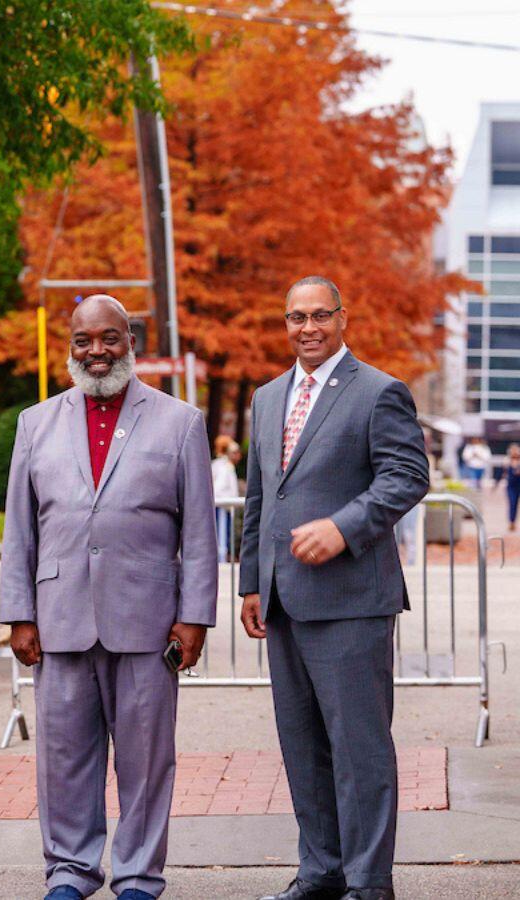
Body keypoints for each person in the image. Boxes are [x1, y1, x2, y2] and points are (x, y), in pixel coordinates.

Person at [0, 295, 217, 900]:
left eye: (109, 339)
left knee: (146, 762)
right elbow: (20, 529)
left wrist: (194, 617)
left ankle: (140, 877)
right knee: (64, 758)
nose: (96, 351)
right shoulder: (34, 423)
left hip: (148, 625)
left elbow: (199, 532)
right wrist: (19, 613)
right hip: (59, 618)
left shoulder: (180, 422)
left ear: (131, 343)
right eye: (83, 341)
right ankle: (69, 873)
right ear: (70, 347)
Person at [240, 276, 428, 900]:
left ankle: (369, 883)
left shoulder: (379, 392)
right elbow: (260, 499)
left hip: (351, 600)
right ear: (285, 323)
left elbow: (407, 475)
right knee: (303, 747)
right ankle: (320, 872)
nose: (308, 328)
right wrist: (249, 583)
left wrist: (344, 529)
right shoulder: (267, 399)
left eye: (321, 315)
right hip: (283, 601)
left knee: (358, 751)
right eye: (296, 317)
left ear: (344, 319)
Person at [212, 435, 243, 562]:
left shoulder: (217, 464)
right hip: (223, 506)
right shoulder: (224, 467)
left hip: (224, 506)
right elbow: (219, 488)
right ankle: (221, 559)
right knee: (222, 535)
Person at [506, 445, 520, 532]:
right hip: (511, 487)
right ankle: (512, 522)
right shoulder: (507, 462)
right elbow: (501, 474)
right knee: (512, 504)